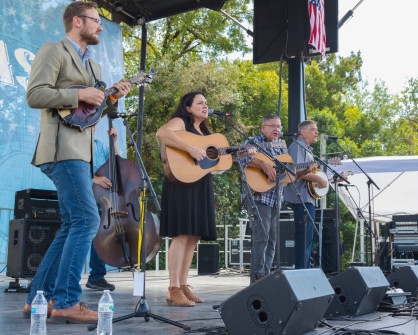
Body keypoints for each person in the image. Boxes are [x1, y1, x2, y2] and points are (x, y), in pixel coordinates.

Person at [23, 1, 130, 323]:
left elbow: (93, 111)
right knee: (86, 220)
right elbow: (35, 95)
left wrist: (113, 97)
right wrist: (78, 94)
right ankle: (67, 300)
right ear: (77, 21)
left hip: (80, 153)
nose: (100, 27)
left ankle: (37, 299)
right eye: (96, 21)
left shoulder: (94, 69)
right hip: (60, 149)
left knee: (73, 224)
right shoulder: (53, 51)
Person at [156, 91, 254, 307]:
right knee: (181, 235)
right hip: (180, 183)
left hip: (200, 184)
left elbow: (218, 161)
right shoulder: (181, 122)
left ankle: (182, 285)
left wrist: (239, 153)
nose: (205, 106)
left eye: (206, 103)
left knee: (193, 236)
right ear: (188, 107)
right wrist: (190, 148)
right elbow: (162, 133)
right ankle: (172, 288)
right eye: (200, 103)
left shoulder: (207, 133)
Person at [239, 115, 315, 284]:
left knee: (272, 239)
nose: (276, 129)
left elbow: (289, 176)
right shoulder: (252, 142)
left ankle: (264, 276)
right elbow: (242, 158)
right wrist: (262, 164)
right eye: (272, 125)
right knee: (262, 236)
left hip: (275, 198)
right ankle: (256, 278)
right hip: (258, 195)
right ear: (263, 127)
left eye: (279, 126)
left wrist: (304, 171)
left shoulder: (281, 146)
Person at [283, 120, 327, 269]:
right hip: (299, 198)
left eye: (317, 129)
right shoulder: (298, 146)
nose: (317, 132)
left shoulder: (308, 149)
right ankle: (302, 273)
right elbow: (294, 171)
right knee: (304, 240)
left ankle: (304, 271)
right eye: (313, 129)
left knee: (307, 240)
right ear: (303, 132)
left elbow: (308, 171)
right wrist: (317, 178)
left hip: (307, 198)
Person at [85, 127, 120, 292]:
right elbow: (73, 169)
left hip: (100, 199)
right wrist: (94, 179)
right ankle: (61, 278)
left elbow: (119, 164)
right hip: (83, 196)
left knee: (100, 238)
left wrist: (114, 143)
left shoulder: (99, 145)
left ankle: (96, 277)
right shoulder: (78, 145)